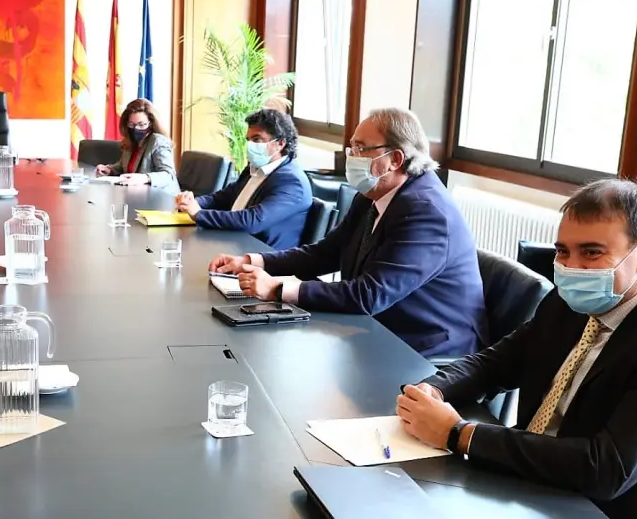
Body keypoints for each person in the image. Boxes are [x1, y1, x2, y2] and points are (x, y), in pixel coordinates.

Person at [397, 180, 637, 519]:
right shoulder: (570, 301)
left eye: (591, 253)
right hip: (527, 479)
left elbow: (606, 468)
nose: (571, 267)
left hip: (596, 507)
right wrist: (432, 390)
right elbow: (495, 363)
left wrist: (459, 434)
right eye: (563, 251)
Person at [207, 107, 486, 358]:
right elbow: (326, 253)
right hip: (375, 330)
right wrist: (253, 261)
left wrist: (279, 289)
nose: (351, 157)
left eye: (361, 149)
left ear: (395, 159)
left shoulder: (426, 211)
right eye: (351, 148)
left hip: (425, 351)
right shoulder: (371, 195)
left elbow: (370, 295)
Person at [175, 108, 311, 249]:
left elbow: (252, 221)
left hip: (260, 254)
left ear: (280, 143)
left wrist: (198, 214)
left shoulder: (292, 182)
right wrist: (191, 202)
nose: (250, 145)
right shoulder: (255, 168)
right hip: (233, 240)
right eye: (249, 140)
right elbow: (222, 198)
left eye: (256, 139)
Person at [95, 98, 180, 194]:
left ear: (151, 123)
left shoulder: (158, 141)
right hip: (137, 195)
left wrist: (145, 178)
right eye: (131, 124)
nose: (136, 128)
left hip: (162, 197)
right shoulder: (131, 141)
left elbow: (169, 175)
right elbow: (123, 166)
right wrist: (109, 170)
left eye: (141, 124)